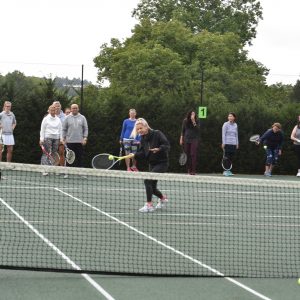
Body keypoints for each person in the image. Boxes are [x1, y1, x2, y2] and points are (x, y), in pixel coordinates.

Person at [129, 118, 170, 213]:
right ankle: (163, 199)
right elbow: (143, 153)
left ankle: (149, 205)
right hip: (152, 164)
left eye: (141, 128)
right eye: (138, 129)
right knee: (152, 187)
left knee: (147, 180)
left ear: (146, 126)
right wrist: (134, 155)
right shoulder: (143, 139)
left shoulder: (157, 133)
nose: (139, 131)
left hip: (162, 163)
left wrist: (159, 149)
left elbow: (167, 145)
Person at [62, 104, 88, 168]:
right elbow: (63, 129)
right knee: (69, 159)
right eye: (73, 108)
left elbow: (85, 129)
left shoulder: (82, 117)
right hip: (69, 142)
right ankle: (68, 173)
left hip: (80, 142)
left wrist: (85, 138)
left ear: (78, 109)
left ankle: (80, 173)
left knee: (80, 159)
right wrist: (63, 138)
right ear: (71, 109)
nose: (74, 109)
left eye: (76, 108)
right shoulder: (67, 118)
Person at [39, 105, 63, 170]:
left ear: (56, 111)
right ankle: (44, 169)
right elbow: (42, 129)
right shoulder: (45, 119)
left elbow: (60, 129)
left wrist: (61, 139)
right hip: (47, 138)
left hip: (56, 138)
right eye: (51, 110)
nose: (53, 111)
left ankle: (51, 168)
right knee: (46, 153)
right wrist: (41, 139)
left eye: (54, 110)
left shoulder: (58, 119)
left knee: (54, 153)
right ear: (49, 111)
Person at [179, 110, 200, 175]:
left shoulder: (197, 121)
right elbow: (183, 130)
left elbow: (197, 129)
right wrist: (181, 138)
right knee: (187, 154)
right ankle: (189, 170)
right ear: (189, 115)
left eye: (194, 114)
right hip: (186, 139)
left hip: (194, 139)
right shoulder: (185, 121)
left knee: (193, 154)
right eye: (191, 114)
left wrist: (193, 121)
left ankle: (193, 170)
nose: (192, 115)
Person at [53, 101, 66, 166]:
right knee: (53, 154)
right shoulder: (49, 116)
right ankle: (55, 169)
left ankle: (62, 169)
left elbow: (67, 128)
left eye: (58, 106)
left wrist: (64, 138)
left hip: (61, 138)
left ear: (60, 107)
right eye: (55, 106)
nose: (57, 107)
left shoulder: (65, 116)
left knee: (61, 153)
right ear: (53, 107)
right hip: (52, 138)